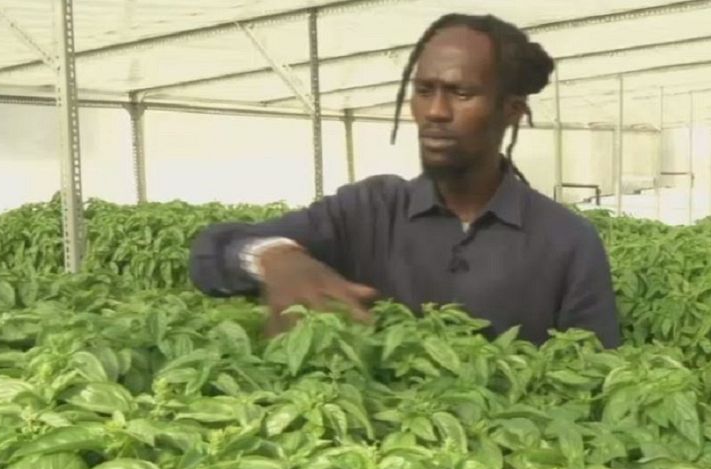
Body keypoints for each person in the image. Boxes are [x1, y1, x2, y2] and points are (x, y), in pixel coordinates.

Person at [189, 13, 620, 348]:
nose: (435, 111)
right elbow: (212, 251)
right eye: (424, 90)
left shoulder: (567, 241)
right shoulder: (368, 211)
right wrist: (274, 257)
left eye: (461, 93)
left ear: (511, 110)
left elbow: (593, 378)